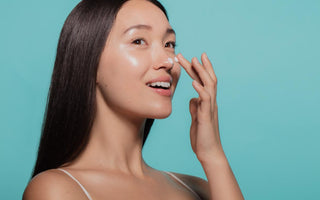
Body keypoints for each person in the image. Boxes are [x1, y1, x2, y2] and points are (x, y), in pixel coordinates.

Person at [23, 0, 244, 199]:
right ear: (89, 61)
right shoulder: (56, 190)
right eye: (139, 41)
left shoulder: (199, 189)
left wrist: (213, 154)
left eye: (169, 44)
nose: (168, 61)